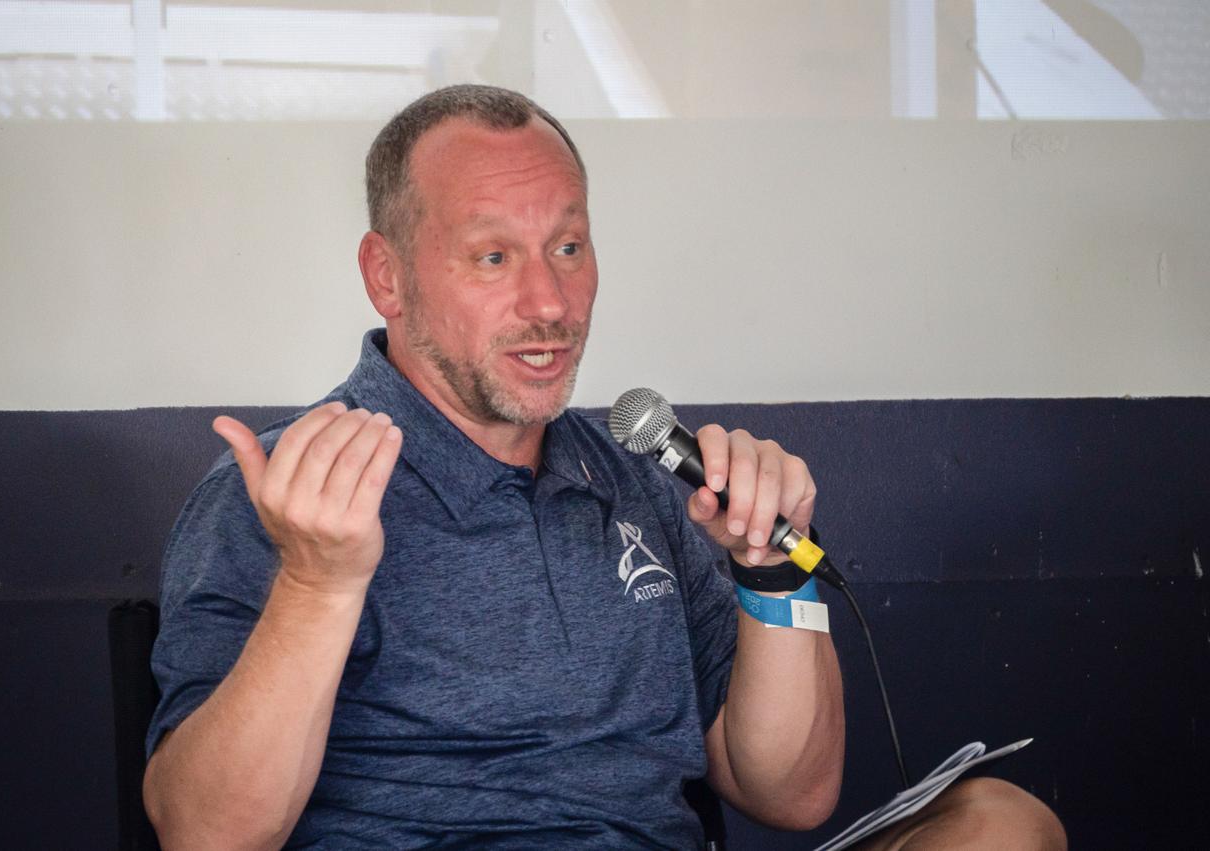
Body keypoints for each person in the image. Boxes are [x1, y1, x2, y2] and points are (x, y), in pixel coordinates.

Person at [142, 85, 1065, 850]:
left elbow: (789, 793)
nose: (548, 302)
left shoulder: (637, 479)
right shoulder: (283, 497)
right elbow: (204, 834)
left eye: (568, 248)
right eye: (493, 256)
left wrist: (771, 572)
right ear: (387, 276)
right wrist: (317, 586)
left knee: (1001, 825)